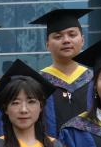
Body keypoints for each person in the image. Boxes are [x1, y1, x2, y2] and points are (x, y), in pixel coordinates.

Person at [30, 8, 92, 136]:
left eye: (72, 35)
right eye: (58, 37)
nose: (66, 40)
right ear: (47, 44)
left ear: (82, 40)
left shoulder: (95, 80)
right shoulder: (36, 84)